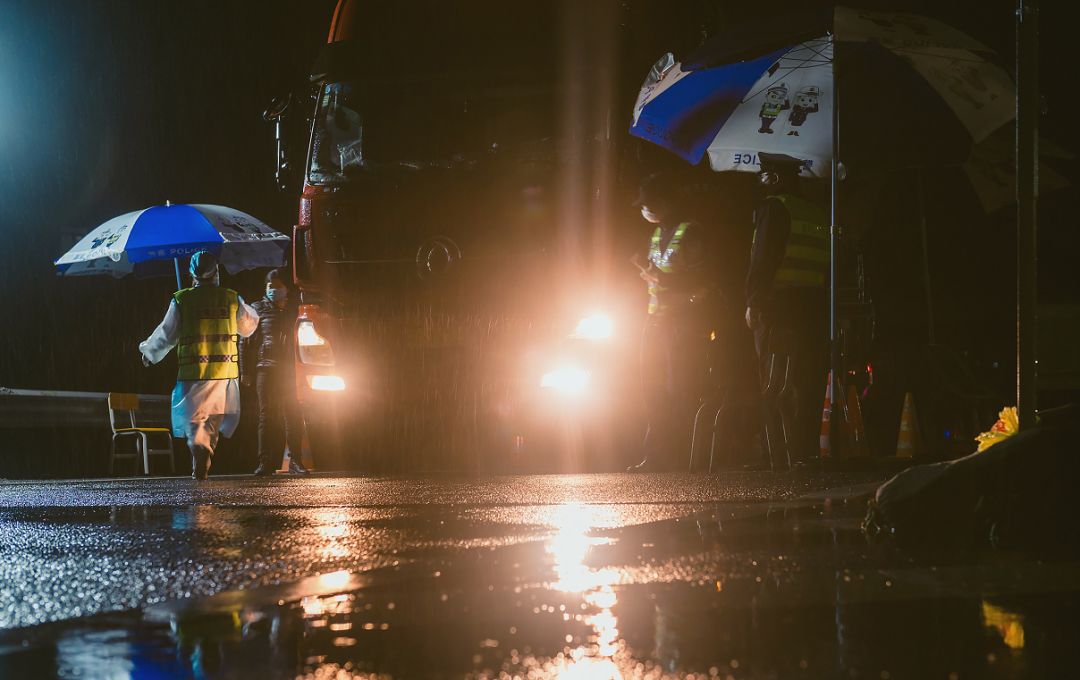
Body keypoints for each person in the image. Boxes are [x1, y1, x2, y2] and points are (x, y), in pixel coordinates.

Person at [140, 251, 259, 480]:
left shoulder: (182, 299)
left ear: (191, 274)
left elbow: (166, 334)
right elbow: (247, 326)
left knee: (194, 422)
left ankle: (199, 450)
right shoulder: (231, 297)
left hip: (193, 373)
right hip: (224, 374)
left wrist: (149, 353)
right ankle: (203, 455)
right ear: (216, 272)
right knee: (212, 421)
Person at [744, 153, 828, 469]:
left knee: (775, 383)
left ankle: (776, 455)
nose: (760, 180)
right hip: (813, 310)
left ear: (774, 178)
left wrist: (754, 302)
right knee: (806, 383)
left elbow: (763, 259)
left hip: (778, 310)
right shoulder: (815, 211)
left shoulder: (774, 208)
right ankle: (803, 452)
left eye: (763, 174)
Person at [628, 172, 710, 472]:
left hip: (683, 326)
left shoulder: (690, 232)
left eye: (648, 203)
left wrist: (661, 277)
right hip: (654, 323)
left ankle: (681, 458)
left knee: (680, 391)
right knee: (652, 391)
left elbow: (703, 281)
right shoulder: (654, 234)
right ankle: (655, 455)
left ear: (664, 201)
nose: (644, 210)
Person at [243, 269, 309, 476]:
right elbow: (245, 342)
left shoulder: (295, 309)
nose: (274, 290)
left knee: (292, 414)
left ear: (286, 289)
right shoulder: (256, 309)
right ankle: (265, 463)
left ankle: (296, 462)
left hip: (289, 369)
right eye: (270, 287)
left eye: (278, 287)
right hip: (266, 368)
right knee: (266, 416)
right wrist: (245, 371)